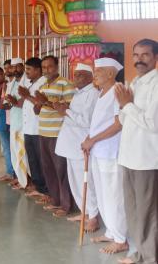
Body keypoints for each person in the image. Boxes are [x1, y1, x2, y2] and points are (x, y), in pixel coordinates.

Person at [115, 39, 158, 264]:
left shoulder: (156, 84)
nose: (139, 59)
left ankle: (149, 257)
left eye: (145, 55)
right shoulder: (135, 82)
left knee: (148, 212)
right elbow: (124, 119)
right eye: (136, 55)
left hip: (147, 158)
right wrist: (124, 105)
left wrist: (127, 105)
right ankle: (138, 251)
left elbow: (152, 123)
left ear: (155, 58)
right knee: (132, 208)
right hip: (129, 156)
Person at [81, 57, 128, 254]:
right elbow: (99, 122)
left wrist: (93, 140)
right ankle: (111, 231)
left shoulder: (118, 91)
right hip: (98, 150)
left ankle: (120, 239)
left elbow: (119, 124)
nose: (95, 75)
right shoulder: (102, 93)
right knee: (102, 193)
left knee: (113, 195)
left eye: (98, 71)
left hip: (110, 151)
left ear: (110, 73)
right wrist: (89, 138)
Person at [54, 63, 100, 231]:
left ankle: (93, 217)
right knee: (75, 181)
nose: (76, 78)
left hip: (81, 145)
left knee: (86, 182)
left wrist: (65, 111)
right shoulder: (78, 94)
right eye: (75, 74)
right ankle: (84, 213)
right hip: (70, 144)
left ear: (89, 77)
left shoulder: (93, 95)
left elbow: (86, 121)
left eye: (80, 75)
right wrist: (64, 110)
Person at [33, 55, 75, 217]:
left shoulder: (65, 84)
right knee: (48, 169)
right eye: (44, 67)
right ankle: (55, 200)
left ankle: (66, 205)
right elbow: (38, 110)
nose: (46, 70)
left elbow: (69, 108)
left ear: (57, 67)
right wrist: (37, 103)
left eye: (50, 67)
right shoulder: (43, 84)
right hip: (43, 132)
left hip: (58, 133)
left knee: (61, 170)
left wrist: (46, 102)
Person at [18, 57, 48, 199]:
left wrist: (26, 95)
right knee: (33, 160)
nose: (26, 72)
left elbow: (41, 103)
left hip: (37, 129)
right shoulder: (33, 83)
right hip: (29, 128)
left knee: (41, 161)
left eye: (29, 69)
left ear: (37, 70)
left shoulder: (43, 83)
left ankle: (46, 190)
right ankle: (38, 187)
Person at [4, 58, 30, 189]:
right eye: (12, 67)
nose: (14, 70)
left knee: (23, 153)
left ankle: (26, 181)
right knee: (15, 152)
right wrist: (7, 103)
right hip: (14, 122)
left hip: (24, 124)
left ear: (23, 66)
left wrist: (13, 102)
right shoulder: (12, 83)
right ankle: (21, 179)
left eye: (17, 67)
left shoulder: (27, 82)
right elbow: (9, 103)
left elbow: (24, 101)